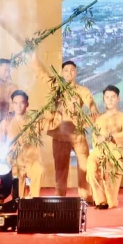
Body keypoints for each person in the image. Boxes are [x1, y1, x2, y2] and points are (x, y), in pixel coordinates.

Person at [48, 60, 99, 201]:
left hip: (77, 133)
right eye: (66, 70)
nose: (69, 73)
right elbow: (50, 109)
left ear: (76, 72)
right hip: (60, 134)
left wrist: (93, 108)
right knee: (60, 167)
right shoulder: (57, 90)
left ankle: (86, 195)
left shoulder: (82, 90)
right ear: (62, 73)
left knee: (84, 165)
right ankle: (60, 195)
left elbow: (90, 101)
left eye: (72, 70)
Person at [0, 90, 42, 198]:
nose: (18, 106)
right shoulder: (6, 122)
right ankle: (20, 202)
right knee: (18, 197)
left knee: (39, 171)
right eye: (15, 103)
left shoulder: (34, 120)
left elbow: (50, 123)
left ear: (27, 104)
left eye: (22, 103)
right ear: (12, 104)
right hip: (15, 163)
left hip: (31, 160)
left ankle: (33, 201)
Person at [87, 85, 123, 210]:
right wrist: (74, 105)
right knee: (91, 167)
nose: (110, 100)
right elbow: (81, 120)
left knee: (110, 193)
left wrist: (109, 137)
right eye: (107, 97)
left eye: (113, 97)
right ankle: (100, 200)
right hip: (98, 152)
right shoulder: (98, 118)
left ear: (118, 99)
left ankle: (109, 200)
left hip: (115, 153)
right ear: (103, 99)